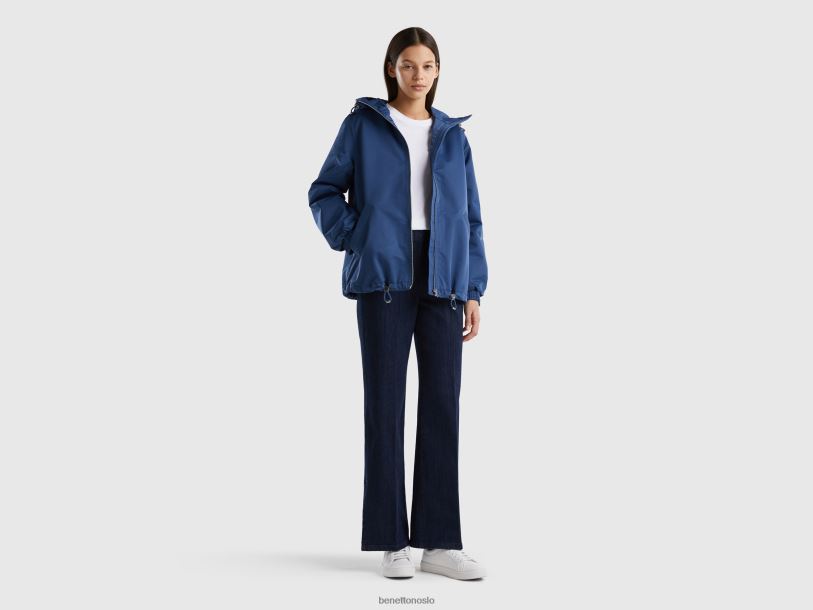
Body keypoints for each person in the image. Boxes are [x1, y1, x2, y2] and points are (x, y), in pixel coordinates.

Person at [308, 27, 488, 580]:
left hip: (444, 277)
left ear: (438, 71)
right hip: (384, 275)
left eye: (428, 66)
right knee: (385, 405)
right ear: (392, 68)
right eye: (408, 65)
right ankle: (392, 541)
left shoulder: (453, 136)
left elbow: (472, 218)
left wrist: (474, 289)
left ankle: (438, 542)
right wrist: (357, 237)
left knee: (443, 406)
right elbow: (324, 191)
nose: (418, 75)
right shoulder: (363, 125)